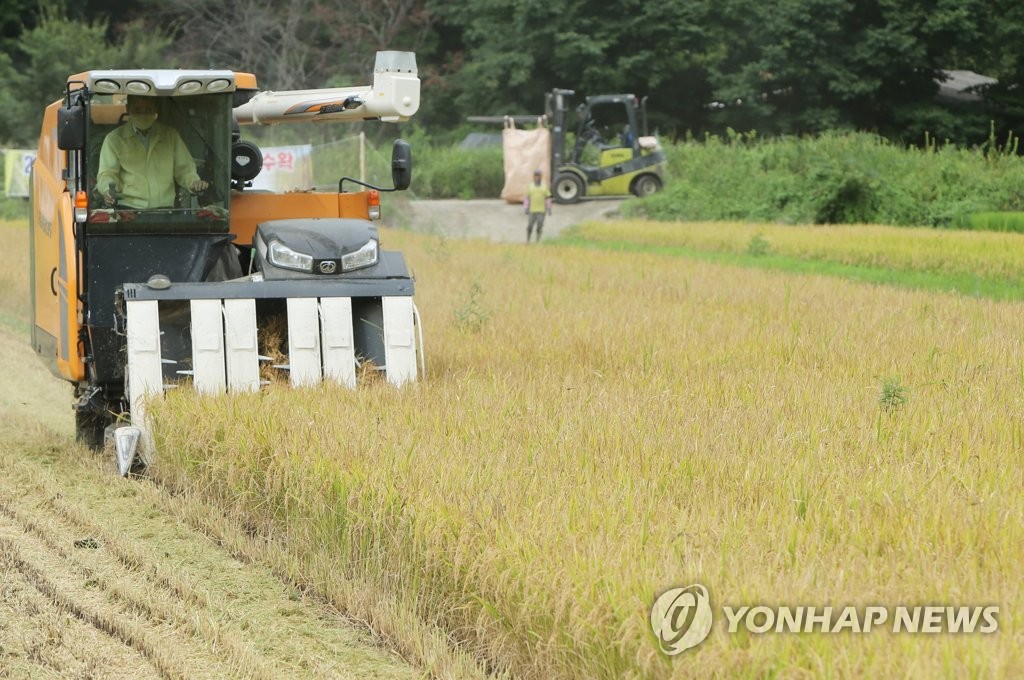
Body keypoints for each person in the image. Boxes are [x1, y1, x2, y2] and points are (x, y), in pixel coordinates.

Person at [96, 95, 208, 209]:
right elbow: (107, 174)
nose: (143, 115)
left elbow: (185, 170)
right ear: (128, 108)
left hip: (164, 212)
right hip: (128, 211)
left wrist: (194, 183)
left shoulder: (170, 136)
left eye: (148, 110)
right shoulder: (114, 139)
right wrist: (108, 190)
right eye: (137, 110)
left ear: (156, 109)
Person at [523, 169, 552, 243]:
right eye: (535, 176)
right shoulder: (530, 186)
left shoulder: (544, 186)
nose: (537, 177)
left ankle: (537, 240)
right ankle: (528, 240)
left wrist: (549, 208)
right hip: (532, 210)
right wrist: (526, 207)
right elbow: (527, 198)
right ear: (533, 177)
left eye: (538, 176)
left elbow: (547, 198)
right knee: (529, 226)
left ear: (541, 177)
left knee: (539, 226)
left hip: (541, 211)